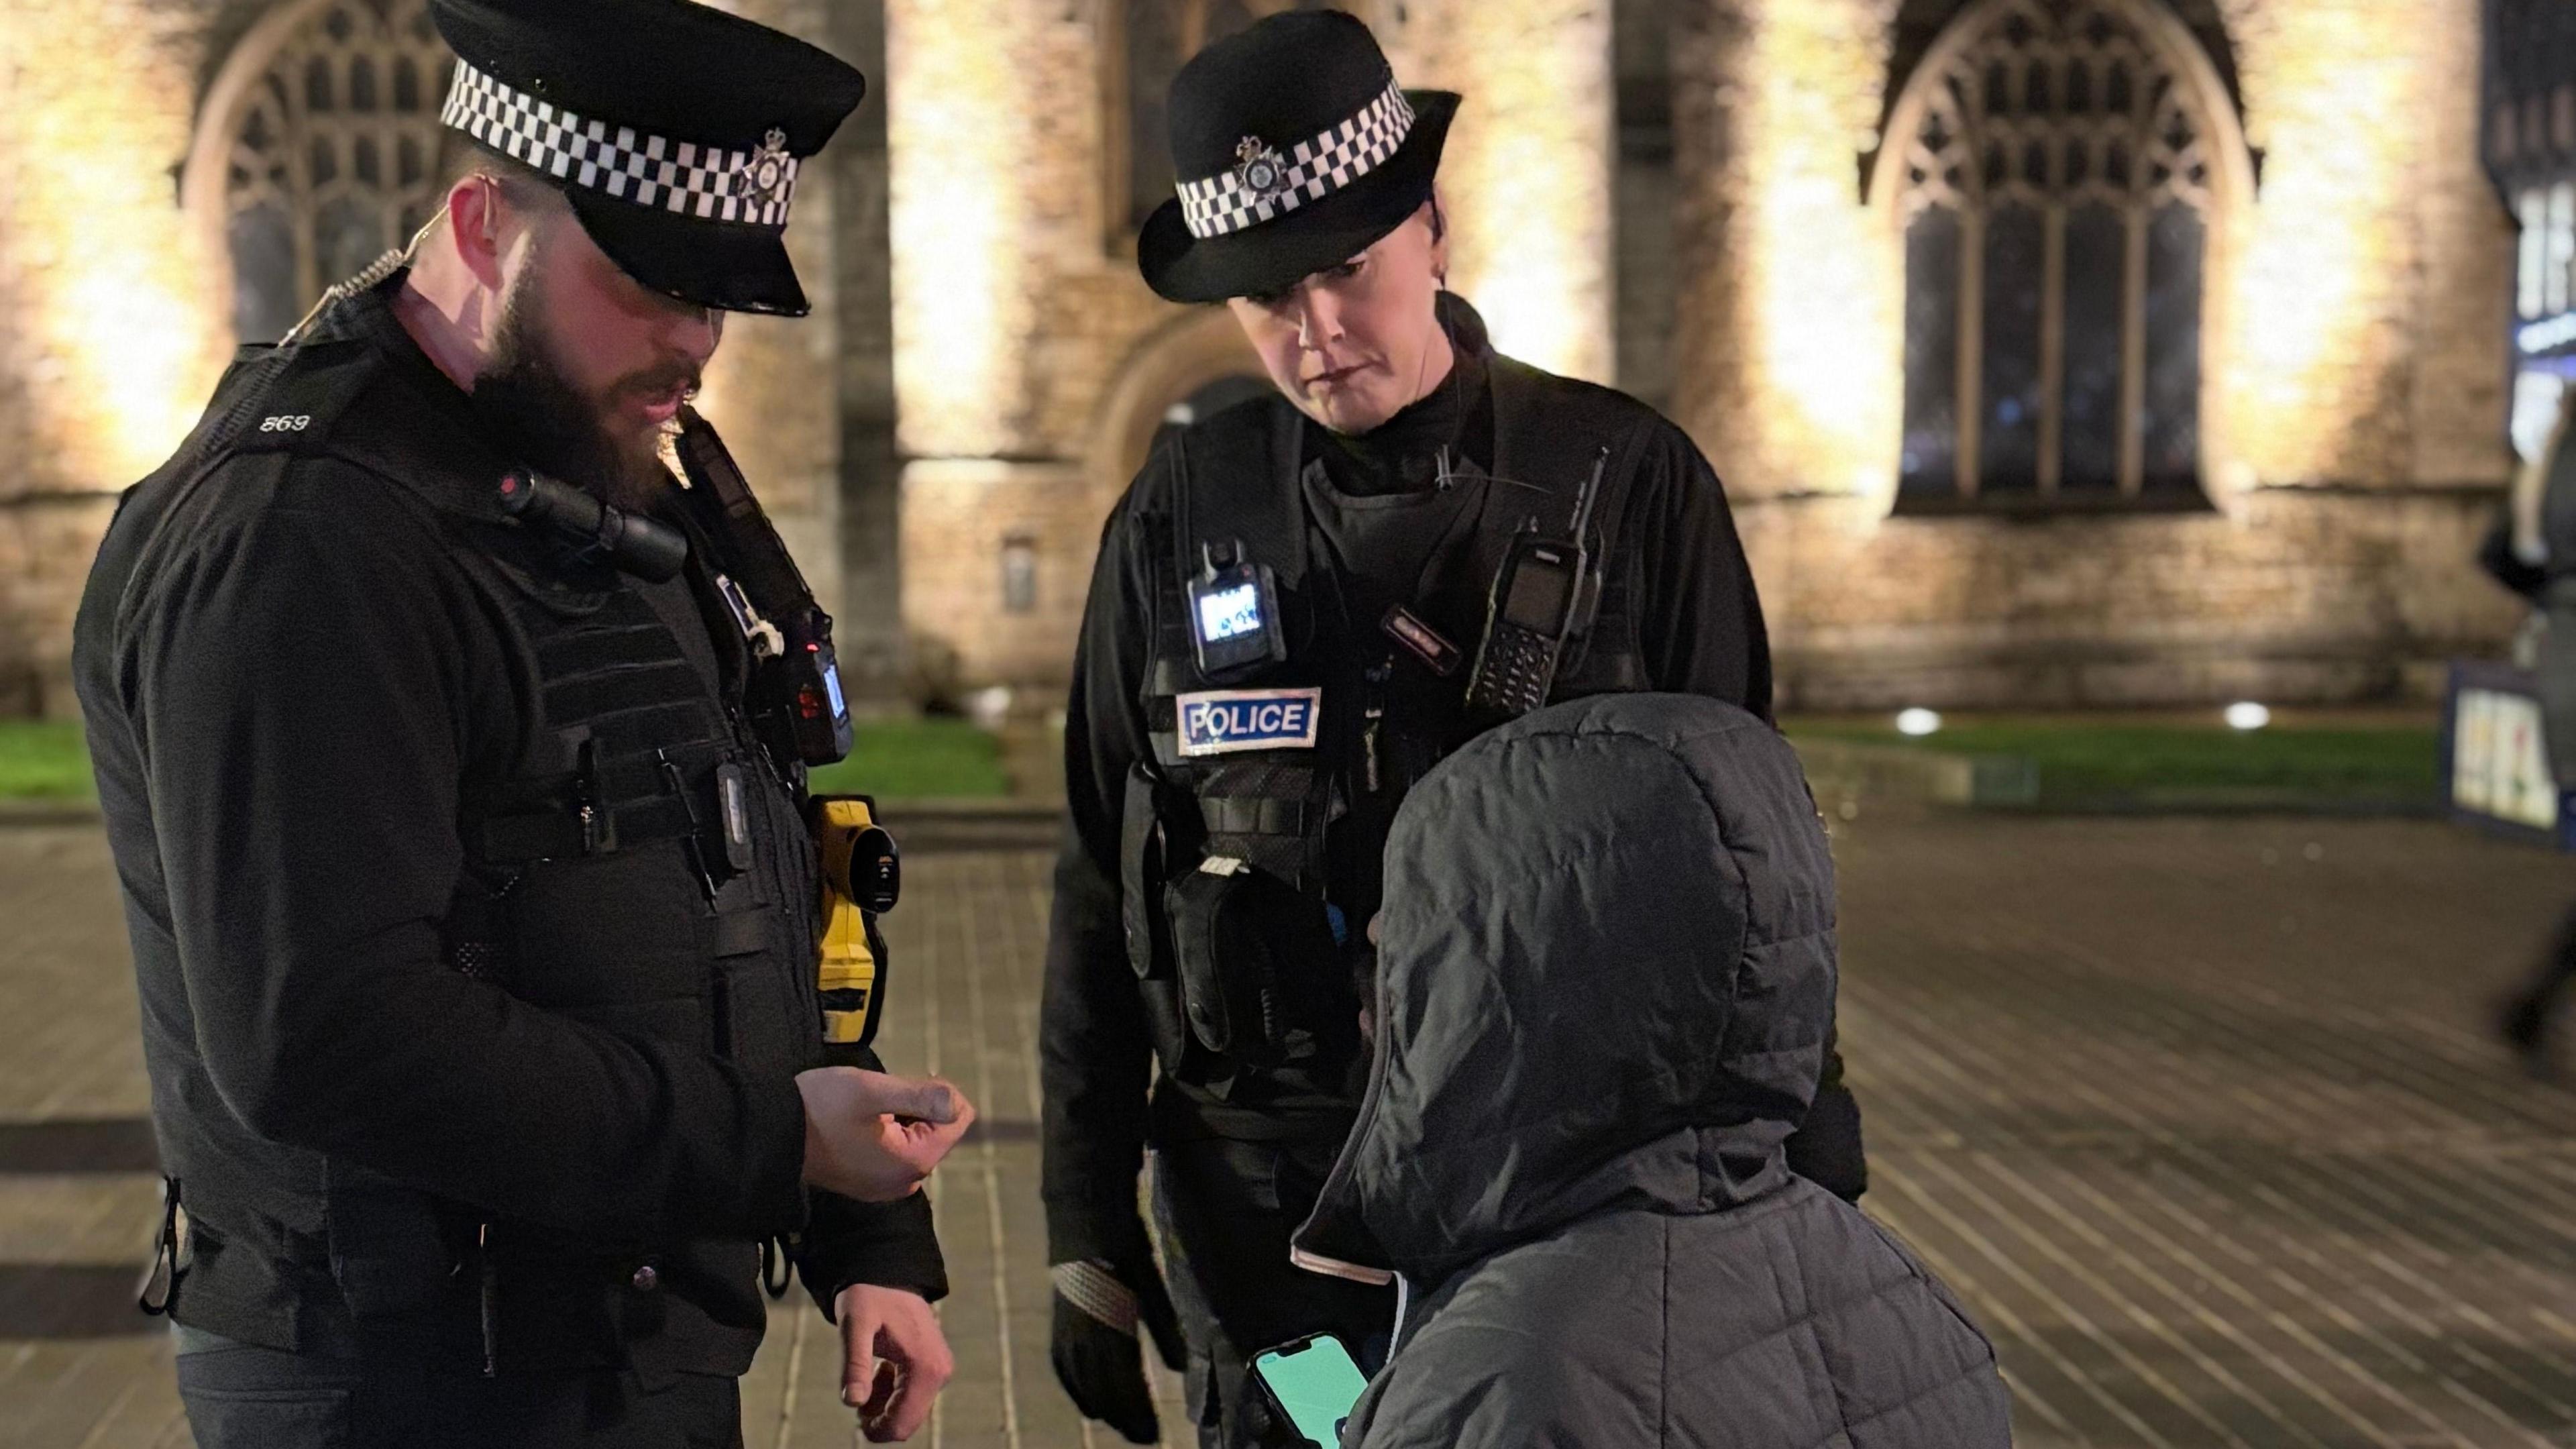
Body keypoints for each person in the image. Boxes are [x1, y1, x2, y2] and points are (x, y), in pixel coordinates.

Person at [69, 1, 972, 1443]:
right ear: (486, 227)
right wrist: (773, 1149)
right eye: (653, 287)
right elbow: (329, 1031)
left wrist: (864, 1242)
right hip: (403, 1379)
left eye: (721, 296)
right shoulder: (304, 540)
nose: (698, 343)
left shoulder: (598, 463)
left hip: (614, 1343)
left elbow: (745, 863)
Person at [1040, 12, 1868, 1447]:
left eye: (1346, 272)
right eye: (1264, 299)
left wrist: (1815, 1187)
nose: (1315, 332)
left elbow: (1759, 882)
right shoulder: (1179, 514)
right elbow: (1098, 874)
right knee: (1321, 1433)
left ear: (1432, 227)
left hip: (1572, 1215)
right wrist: (1081, 1226)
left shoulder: (1626, 487)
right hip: (1275, 1248)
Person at [1295, 692, 2012, 1449]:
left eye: (1414, 948)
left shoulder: (1495, 1387)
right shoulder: (1906, 1299)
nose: (1378, 990)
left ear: (1509, 989)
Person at [2489, 383, 2576, 1073]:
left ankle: (2533, 1005)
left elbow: (2504, 553)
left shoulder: (2547, 459)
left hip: (2562, 666)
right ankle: (2532, 1005)